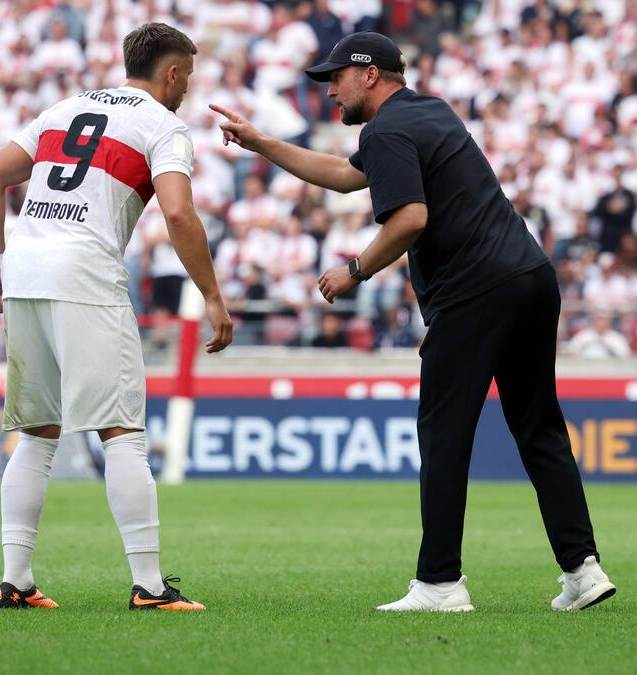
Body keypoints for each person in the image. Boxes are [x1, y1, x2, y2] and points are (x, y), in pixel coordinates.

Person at [213, 32, 614, 613]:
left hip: (476, 291)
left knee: (445, 434)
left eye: (336, 78)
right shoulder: (428, 112)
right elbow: (348, 176)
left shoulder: (386, 129)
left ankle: (440, 583)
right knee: (539, 427)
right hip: (530, 277)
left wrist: (355, 269)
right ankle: (583, 569)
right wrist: (263, 143)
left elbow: (410, 219)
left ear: (369, 74)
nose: (329, 92)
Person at [0, 22, 232, 612]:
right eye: (185, 78)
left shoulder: (63, 110)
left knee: (36, 434)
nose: (185, 90)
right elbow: (180, 215)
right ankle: (151, 587)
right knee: (123, 433)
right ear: (170, 74)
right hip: (85, 274)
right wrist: (212, 295)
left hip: (25, 272)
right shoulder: (163, 126)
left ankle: (16, 581)